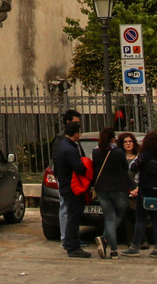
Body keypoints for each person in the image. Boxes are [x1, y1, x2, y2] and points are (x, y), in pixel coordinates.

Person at [51, 109, 91, 258]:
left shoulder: (64, 145)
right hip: (72, 186)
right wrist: (86, 166)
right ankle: (73, 246)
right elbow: (79, 168)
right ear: (76, 133)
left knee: (71, 216)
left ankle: (69, 243)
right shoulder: (69, 148)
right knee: (73, 217)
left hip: (67, 185)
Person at [87, 127, 132, 260]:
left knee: (109, 218)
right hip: (118, 188)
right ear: (113, 139)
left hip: (101, 189)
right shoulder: (118, 152)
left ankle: (113, 250)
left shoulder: (96, 152)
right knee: (121, 213)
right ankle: (103, 238)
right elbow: (126, 167)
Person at [127, 130, 157, 258]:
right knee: (156, 219)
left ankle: (135, 247)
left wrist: (133, 186)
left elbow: (133, 168)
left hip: (145, 190)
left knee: (140, 220)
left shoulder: (144, 155)